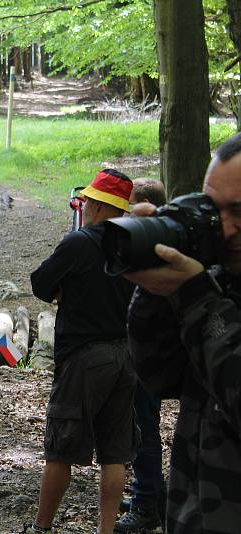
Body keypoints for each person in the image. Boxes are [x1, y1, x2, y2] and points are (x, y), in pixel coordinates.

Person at [125, 133, 241, 533]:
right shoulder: (222, 283)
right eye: (214, 210)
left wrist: (196, 297)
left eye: (238, 211)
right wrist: (157, 291)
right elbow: (161, 375)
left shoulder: (209, 295)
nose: (224, 231)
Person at [26, 169, 137, 534]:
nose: (83, 205)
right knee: (115, 453)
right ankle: (106, 529)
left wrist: (66, 292)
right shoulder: (135, 244)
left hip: (84, 358)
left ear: (103, 206)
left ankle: (42, 528)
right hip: (124, 356)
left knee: (61, 448)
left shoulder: (79, 242)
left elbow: (40, 283)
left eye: (88, 199)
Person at [114, 178, 167, 533]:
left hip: (148, 354)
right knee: (142, 426)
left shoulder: (154, 245)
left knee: (143, 427)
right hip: (148, 351)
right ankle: (150, 494)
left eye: (131, 205)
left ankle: (148, 501)